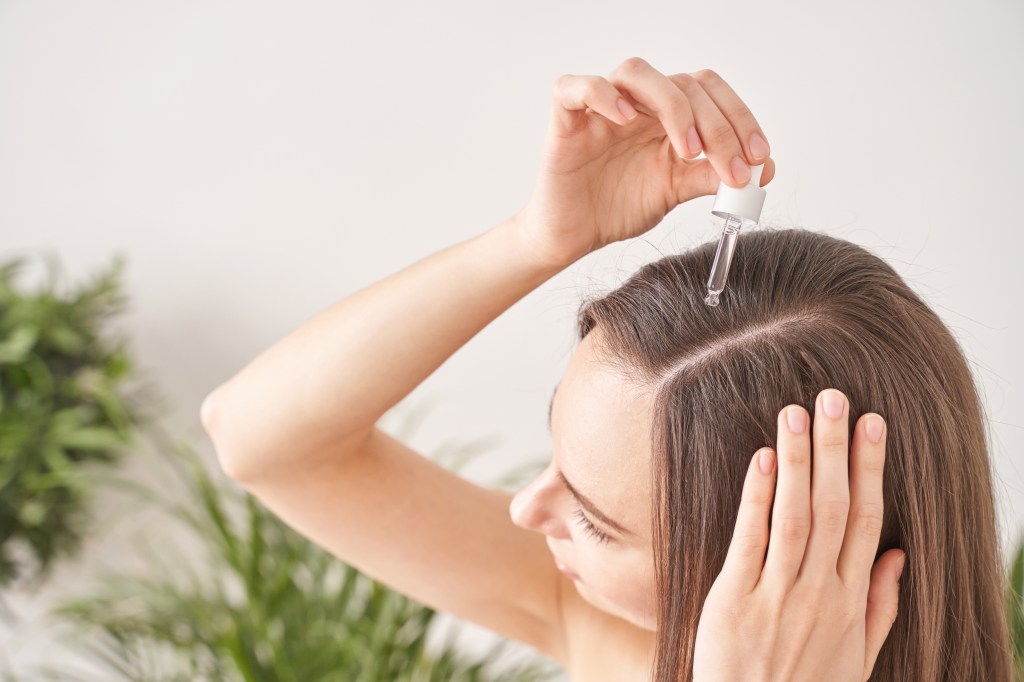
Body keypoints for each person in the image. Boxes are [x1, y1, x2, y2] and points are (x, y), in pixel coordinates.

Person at [200, 58, 1014, 680]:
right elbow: (261, 442)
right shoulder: (621, 636)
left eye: (596, 520)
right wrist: (538, 238)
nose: (528, 508)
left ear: (777, 560)